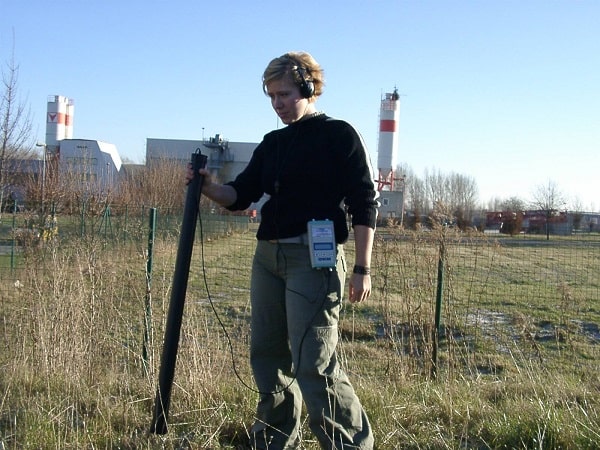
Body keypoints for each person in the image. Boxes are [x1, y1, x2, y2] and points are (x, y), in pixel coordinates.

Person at [187, 51, 378, 449]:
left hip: (315, 261)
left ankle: (349, 444)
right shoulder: (273, 143)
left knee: (314, 362)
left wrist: (363, 268)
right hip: (268, 260)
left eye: (285, 94)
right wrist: (208, 187)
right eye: (271, 96)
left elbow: (365, 202)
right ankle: (273, 441)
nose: (278, 104)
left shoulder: (339, 135)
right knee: (268, 355)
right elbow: (240, 194)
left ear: (309, 88)